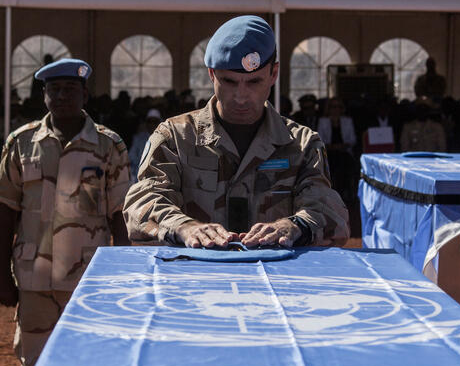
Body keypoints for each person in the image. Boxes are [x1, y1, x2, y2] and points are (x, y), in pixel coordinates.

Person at [123, 15, 349, 250]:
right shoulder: (175, 138)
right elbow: (142, 202)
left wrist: (294, 226)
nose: (241, 97)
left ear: (273, 74)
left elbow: (330, 213)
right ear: (211, 74)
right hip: (195, 271)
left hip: (276, 271)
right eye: (229, 82)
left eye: (254, 82)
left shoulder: (301, 145)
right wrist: (183, 227)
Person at [0, 58, 130, 366]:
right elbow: (5, 210)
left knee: (88, 364)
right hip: (33, 278)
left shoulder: (109, 145)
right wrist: (2, 275)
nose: (62, 96)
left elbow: (119, 215)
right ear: (44, 96)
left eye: (70, 89)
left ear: (85, 95)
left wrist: (122, 274)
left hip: (88, 278)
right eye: (54, 89)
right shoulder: (21, 143)